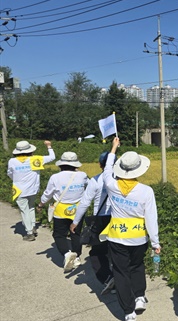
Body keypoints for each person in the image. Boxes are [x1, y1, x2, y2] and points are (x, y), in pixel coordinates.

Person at [101, 137, 160, 321]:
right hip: (138, 237)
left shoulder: (111, 185)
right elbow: (151, 218)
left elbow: (107, 170)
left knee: (120, 272)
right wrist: (155, 242)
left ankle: (128, 312)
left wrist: (113, 149)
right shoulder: (146, 191)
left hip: (117, 237)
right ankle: (140, 297)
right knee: (137, 266)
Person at [70, 152, 114, 295]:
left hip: (101, 220)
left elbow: (85, 202)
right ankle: (121, 277)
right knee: (115, 249)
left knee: (97, 252)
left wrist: (75, 221)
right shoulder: (121, 180)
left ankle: (107, 278)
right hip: (118, 218)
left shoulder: (95, 181)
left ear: (100, 165)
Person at [38, 152, 88, 272]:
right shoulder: (82, 175)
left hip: (60, 210)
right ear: (75, 165)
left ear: (61, 164)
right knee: (75, 233)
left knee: (59, 234)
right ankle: (76, 257)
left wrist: (41, 203)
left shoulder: (55, 177)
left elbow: (48, 193)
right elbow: (90, 188)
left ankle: (66, 254)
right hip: (77, 209)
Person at [7, 140, 55, 241]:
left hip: (19, 190)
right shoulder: (35, 159)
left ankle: (29, 233)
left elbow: (10, 173)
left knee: (24, 211)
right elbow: (52, 157)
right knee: (31, 208)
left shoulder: (12, 161)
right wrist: (49, 146)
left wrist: (16, 180)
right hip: (33, 189)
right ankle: (33, 226)